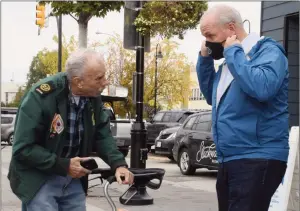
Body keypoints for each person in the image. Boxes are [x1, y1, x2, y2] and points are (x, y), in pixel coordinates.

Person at [8, 49, 134, 211]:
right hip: (39, 179)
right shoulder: (41, 96)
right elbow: (23, 149)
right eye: (99, 78)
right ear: (78, 81)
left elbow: (102, 135)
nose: (106, 82)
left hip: (73, 180)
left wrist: (119, 165)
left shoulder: (93, 97)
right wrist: (64, 165)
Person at [197, 4, 289, 211]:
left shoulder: (267, 51)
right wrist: (204, 59)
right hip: (230, 158)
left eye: (210, 36)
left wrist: (233, 53)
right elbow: (213, 97)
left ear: (231, 28)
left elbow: (262, 88)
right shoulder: (229, 61)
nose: (208, 42)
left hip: (258, 156)